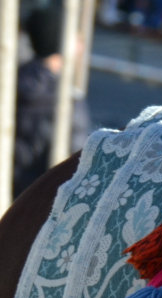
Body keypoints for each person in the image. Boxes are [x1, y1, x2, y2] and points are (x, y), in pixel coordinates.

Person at [14, 7, 89, 195]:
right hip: (40, 200)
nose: (81, 44)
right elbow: (77, 159)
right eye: (76, 37)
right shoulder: (66, 99)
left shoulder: (12, 80)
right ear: (62, 41)